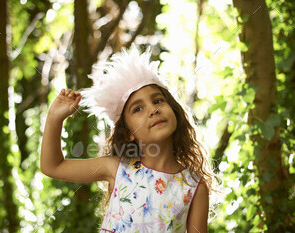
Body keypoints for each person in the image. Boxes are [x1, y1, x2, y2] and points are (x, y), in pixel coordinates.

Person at [40, 44, 220, 233]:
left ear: (174, 110)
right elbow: (52, 166)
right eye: (138, 108)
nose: (153, 109)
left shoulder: (194, 186)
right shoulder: (117, 168)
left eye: (158, 100)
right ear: (128, 133)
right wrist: (54, 117)